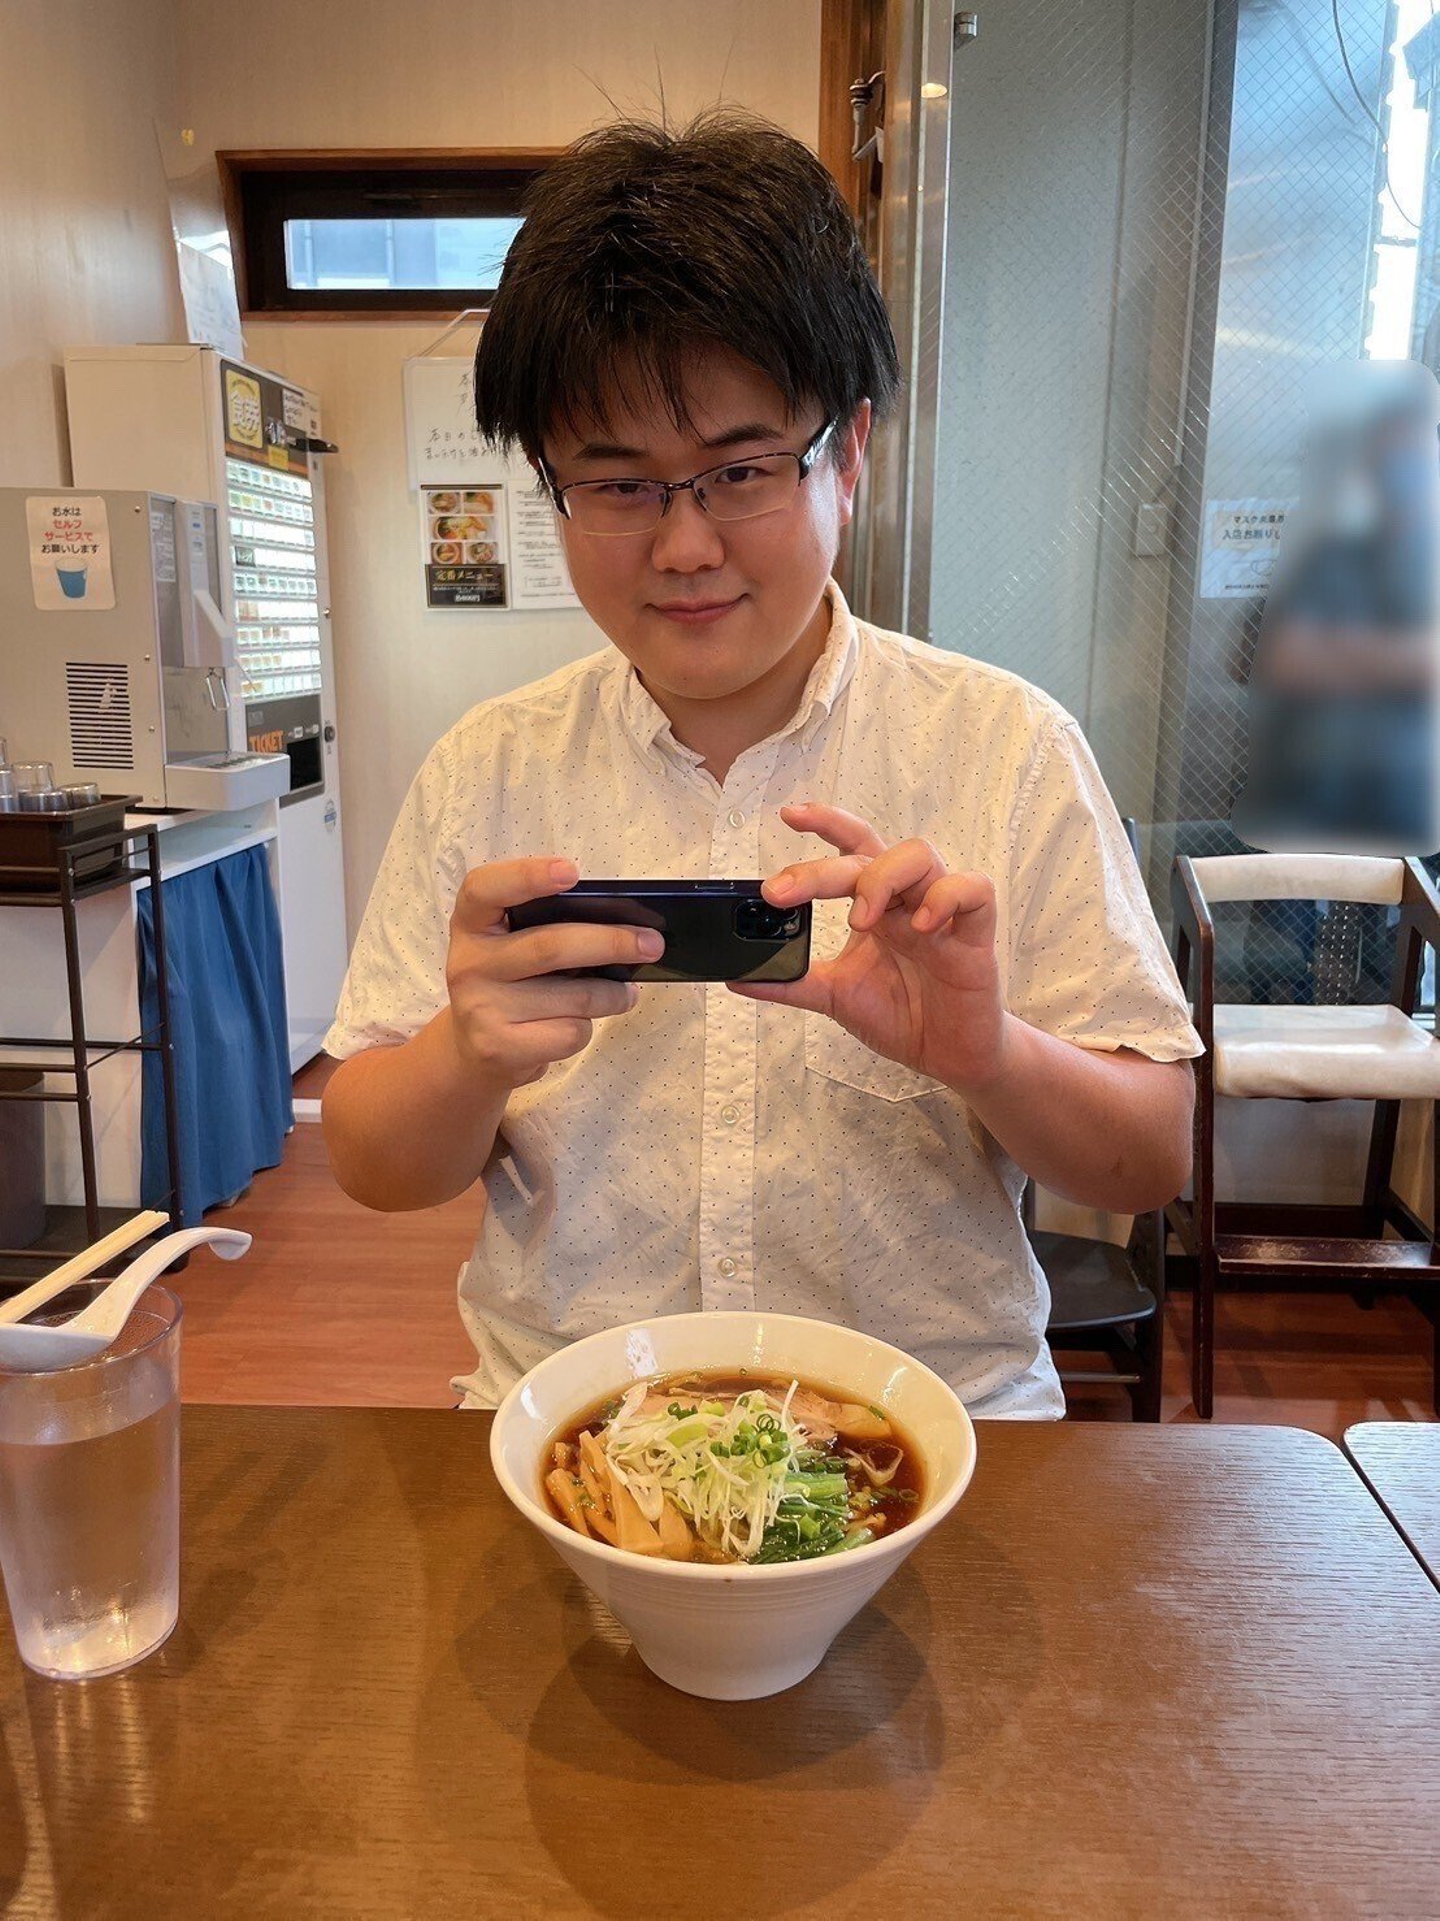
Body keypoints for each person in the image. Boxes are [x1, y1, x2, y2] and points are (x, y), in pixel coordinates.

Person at [322, 111, 1199, 1416]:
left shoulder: (1006, 746)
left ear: (850, 452)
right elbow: (373, 1165)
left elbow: (1150, 1159)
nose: (684, 548)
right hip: (578, 1438)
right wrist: (466, 1054)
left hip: (931, 1436)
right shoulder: (489, 768)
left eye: (740, 471)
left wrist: (989, 1056)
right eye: (618, 484)